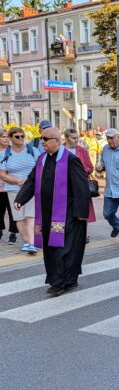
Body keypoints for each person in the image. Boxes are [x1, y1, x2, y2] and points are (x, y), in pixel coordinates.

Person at [14, 127, 90, 297]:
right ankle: (66, 279)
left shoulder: (70, 160)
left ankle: (59, 282)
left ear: (57, 140)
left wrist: (80, 212)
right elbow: (32, 181)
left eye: (46, 139)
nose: (42, 142)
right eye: (41, 139)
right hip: (47, 213)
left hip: (69, 214)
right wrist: (20, 198)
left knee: (63, 249)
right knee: (51, 248)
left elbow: (81, 187)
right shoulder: (42, 159)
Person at [0, 127, 40, 253]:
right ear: (11, 138)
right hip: (13, 189)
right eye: (17, 136)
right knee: (19, 218)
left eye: (22, 136)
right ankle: (26, 242)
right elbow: (2, 174)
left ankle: (32, 243)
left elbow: (40, 168)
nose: (21, 138)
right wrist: (18, 181)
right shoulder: (4, 154)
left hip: (31, 189)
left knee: (31, 216)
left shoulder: (32, 150)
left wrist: (29, 182)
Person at [64, 129, 96, 243]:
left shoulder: (82, 151)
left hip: (80, 185)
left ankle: (83, 234)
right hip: (63, 185)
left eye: (77, 137)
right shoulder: (61, 150)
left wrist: (82, 170)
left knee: (81, 210)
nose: (76, 140)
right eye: (73, 138)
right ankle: (67, 233)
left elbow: (90, 167)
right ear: (67, 138)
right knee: (65, 210)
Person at [0, 129, 18, 244]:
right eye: (3, 137)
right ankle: (0, 230)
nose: (6, 139)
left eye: (7, 137)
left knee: (13, 211)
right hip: (0, 187)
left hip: (11, 185)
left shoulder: (13, 151)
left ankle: (13, 233)